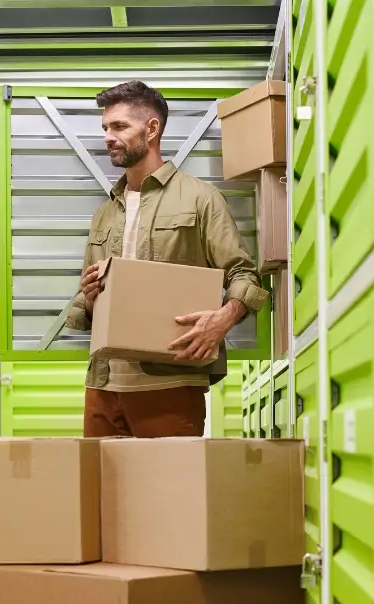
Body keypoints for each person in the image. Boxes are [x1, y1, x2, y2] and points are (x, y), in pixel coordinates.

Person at [67, 81, 268, 437]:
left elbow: (243, 275)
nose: (108, 137)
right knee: (101, 493)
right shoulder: (104, 213)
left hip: (170, 383)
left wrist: (224, 318)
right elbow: (92, 297)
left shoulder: (200, 199)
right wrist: (88, 294)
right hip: (102, 384)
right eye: (105, 128)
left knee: (169, 493)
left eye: (119, 126)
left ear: (152, 128)